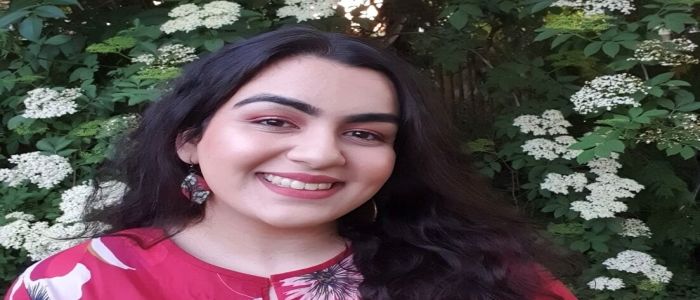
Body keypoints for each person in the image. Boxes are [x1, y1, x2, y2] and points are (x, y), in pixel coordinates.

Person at [5, 27, 577, 300]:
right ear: (189, 140)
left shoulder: (495, 280)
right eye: (275, 121)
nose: (323, 153)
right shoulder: (81, 285)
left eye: (364, 132)